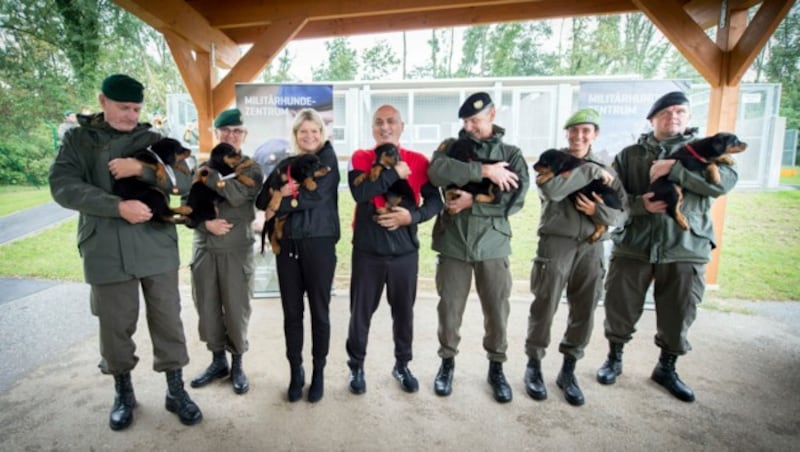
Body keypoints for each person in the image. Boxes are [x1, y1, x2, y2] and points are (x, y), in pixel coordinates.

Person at [49, 73, 202, 430]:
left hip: (154, 245)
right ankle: (124, 392)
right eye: (123, 107)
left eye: (136, 108)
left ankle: (175, 389)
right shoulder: (78, 141)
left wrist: (144, 170)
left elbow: (184, 181)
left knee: (167, 319)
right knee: (115, 326)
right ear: (103, 102)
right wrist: (117, 206)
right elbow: (63, 186)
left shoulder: (153, 139)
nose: (131, 115)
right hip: (105, 246)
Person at [596, 91, 739, 402]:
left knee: (679, 310)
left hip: (685, 245)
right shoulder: (630, 155)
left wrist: (674, 170)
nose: (673, 116)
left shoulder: (707, 150)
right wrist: (638, 206)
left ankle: (667, 367)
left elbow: (721, 185)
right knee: (620, 305)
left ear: (688, 117)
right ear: (652, 119)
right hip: (634, 243)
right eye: (665, 112)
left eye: (680, 112)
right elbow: (611, 197)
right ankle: (614, 358)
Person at [428, 92, 530, 403]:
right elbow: (436, 173)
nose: (471, 126)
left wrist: (474, 201)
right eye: (467, 121)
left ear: (492, 115)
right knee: (449, 309)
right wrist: (484, 172)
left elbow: (516, 198)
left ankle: (496, 368)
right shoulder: (451, 147)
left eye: (476, 119)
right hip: (454, 241)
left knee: (497, 309)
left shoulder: (511, 153)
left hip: (493, 243)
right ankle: (447, 363)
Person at [523, 109, 627, 406]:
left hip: (592, 247)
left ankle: (568, 369)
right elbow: (552, 190)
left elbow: (623, 212)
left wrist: (598, 213)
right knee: (545, 304)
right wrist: (591, 173)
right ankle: (534, 365)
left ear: (595, 134)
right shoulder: (554, 161)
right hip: (557, 243)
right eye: (573, 130)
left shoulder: (607, 166)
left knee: (585, 308)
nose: (579, 136)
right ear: (566, 133)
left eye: (586, 131)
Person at [346, 104, 443, 395]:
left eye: (391, 122)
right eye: (378, 123)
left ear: (402, 126)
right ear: (372, 128)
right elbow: (361, 192)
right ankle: (356, 366)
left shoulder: (418, 161)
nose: (385, 127)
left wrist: (410, 217)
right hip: (368, 252)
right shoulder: (361, 157)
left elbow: (435, 203)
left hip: (404, 254)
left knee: (403, 313)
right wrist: (394, 172)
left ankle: (402, 365)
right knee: (360, 313)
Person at [261, 108, 340, 403]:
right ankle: (296, 371)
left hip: (319, 244)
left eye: (315, 131)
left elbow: (313, 197)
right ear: (295, 135)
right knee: (292, 314)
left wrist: (278, 204)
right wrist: (274, 199)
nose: (310, 136)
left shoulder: (328, 160)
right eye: (303, 131)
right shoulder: (286, 163)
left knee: (320, 312)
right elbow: (263, 196)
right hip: (288, 246)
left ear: (322, 133)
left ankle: (319, 372)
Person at [189, 108, 264, 395]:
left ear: (244, 135)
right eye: (226, 130)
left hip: (236, 250)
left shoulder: (251, 169)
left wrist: (210, 179)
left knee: (236, 308)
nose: (231, 136)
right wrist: (206, 223)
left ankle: (237, 364)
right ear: (216, 133)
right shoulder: (201, 165)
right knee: (207, 307)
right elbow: (188, 205)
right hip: (205, 248)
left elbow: (238, 195)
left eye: (237, 131)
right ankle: (217, 361)